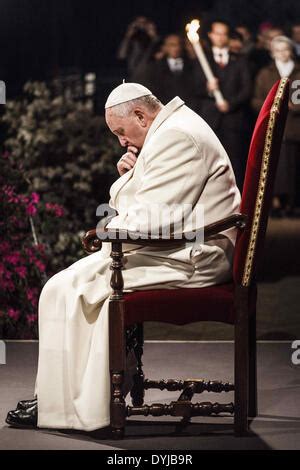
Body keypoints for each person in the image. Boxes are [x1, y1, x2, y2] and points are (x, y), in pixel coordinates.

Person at [6, 82, 241, 431]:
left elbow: (154, 220)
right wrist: (128, 178)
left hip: (195, 255)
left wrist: (111, 225)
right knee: (59, 287)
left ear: (140, 116)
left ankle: (84, 405)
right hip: (179, 246)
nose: (120, 141)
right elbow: (146, 209)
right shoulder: (167, 132)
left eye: (120, 131)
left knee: (80, 289)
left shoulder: (177, 137)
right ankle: (58, 399)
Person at [195, 20, 252, 192]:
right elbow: (190, 87)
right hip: (209, 120)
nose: (220, 37)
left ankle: (237, 200)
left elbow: (247, 88)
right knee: (208, 161)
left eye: (224, 34)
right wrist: (207, 88)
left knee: (235, 160)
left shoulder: (240, 60)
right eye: (217, 33)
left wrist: (231, 103)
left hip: (232, 120)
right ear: (211, 35)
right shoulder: (201, 58)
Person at [252, 35, 300, 216]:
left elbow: (298, 98)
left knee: (293, 167)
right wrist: (270, 107)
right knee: (275, 167)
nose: (282, 53)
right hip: (272, 128)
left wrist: (292, 106)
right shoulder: (266, 74)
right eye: (278, 50)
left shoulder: (298, 72)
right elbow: (256, 99)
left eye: (286, 49)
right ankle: (275, 203)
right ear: (272, 53)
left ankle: (292, 203)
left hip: (294, 127)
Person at [134, 34, 199, 111]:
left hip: (189, 108)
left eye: (179, 45)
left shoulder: (192, 65)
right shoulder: (156, 67)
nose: (176, 48)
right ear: (165, 47)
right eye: (172, 45)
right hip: (165, 109)